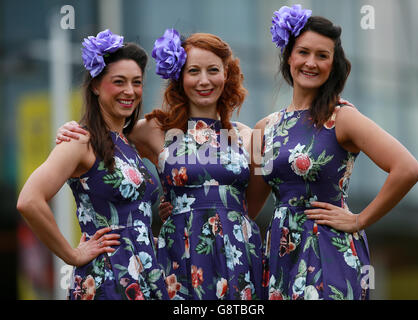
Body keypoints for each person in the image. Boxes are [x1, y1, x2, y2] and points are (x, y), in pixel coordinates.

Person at [55, 30, 264, 300]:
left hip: (238, 253)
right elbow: (107, 135)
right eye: (193, 71)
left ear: (227, 74)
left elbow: (256, 204)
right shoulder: (153, 130)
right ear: (179, 77)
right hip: (178, 253)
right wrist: (72, 129)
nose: (204, 80)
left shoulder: (251, 137)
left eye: (213, 70)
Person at [246, 4, 418, 300]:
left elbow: (408, 168)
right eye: (303, 52)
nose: (311, 62)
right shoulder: (263, 128)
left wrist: (359, 220)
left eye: (322, 55)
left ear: (332, 64)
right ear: (289, 56)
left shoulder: (342, 117)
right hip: (281, 255)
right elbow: (248, 208)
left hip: (330, 250)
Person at [17, 29, 169, 300]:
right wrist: (72, 254)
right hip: (107, 276)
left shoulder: (129, 143)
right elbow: (29, 200)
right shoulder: (80, 141)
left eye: (136, 82)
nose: (129, 91)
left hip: (146, 272)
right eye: (119, 81)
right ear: (96, 86)